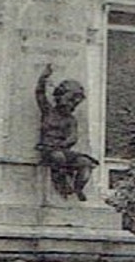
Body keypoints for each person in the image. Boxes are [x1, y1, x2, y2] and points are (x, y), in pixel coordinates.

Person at [35, 62, 97, 199]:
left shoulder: (71, 119)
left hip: (63, 149)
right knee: (58, 158)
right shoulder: (48, 111)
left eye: (74, 102)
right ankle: (61, 183)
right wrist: (43, 77)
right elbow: (39, 93)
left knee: (85, 163)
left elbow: (73, 137)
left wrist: (65, 144)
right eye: (69, 100)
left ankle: (78, 189)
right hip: (48, 149)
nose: (71, 104)